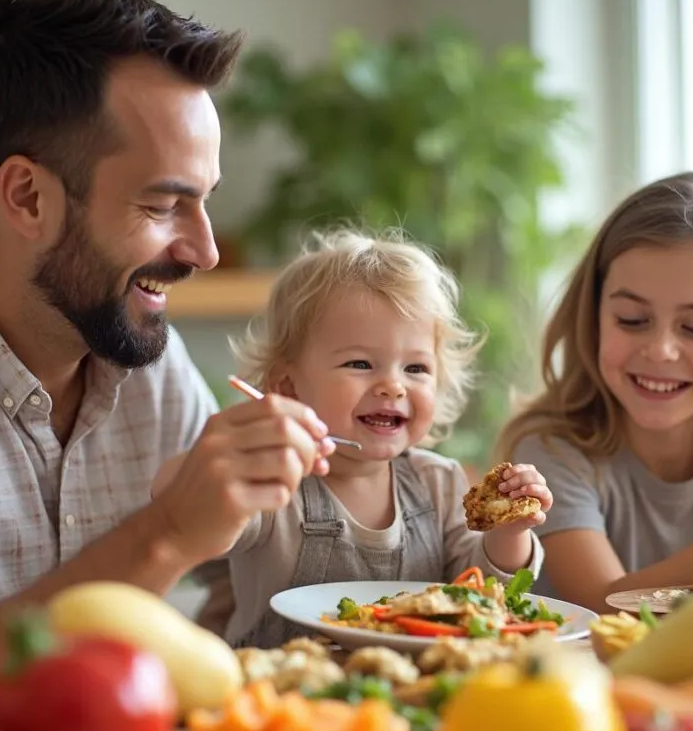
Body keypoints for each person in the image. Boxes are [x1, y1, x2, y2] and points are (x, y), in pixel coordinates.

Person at [0, 0, 335, 661]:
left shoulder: (140, 358)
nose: (205, 252)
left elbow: (241, 586)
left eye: (204, 203)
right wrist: (167, 530)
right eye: (165, 204)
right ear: (28, 197)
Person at [154, 229, 552, 648]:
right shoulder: (274, 485)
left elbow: (488, 597)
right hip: (282, 692)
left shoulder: (440, 484)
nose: (393, 386)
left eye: (415, 369)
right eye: (360, 363)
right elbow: (179, 503)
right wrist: (222, 456)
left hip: (414, 691)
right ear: (288, 388)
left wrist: (509, 532)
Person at [494, 171, 693, 612]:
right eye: (631, 319)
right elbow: (603, 601)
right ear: (594, 318)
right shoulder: (552, 453)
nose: (661, 351)